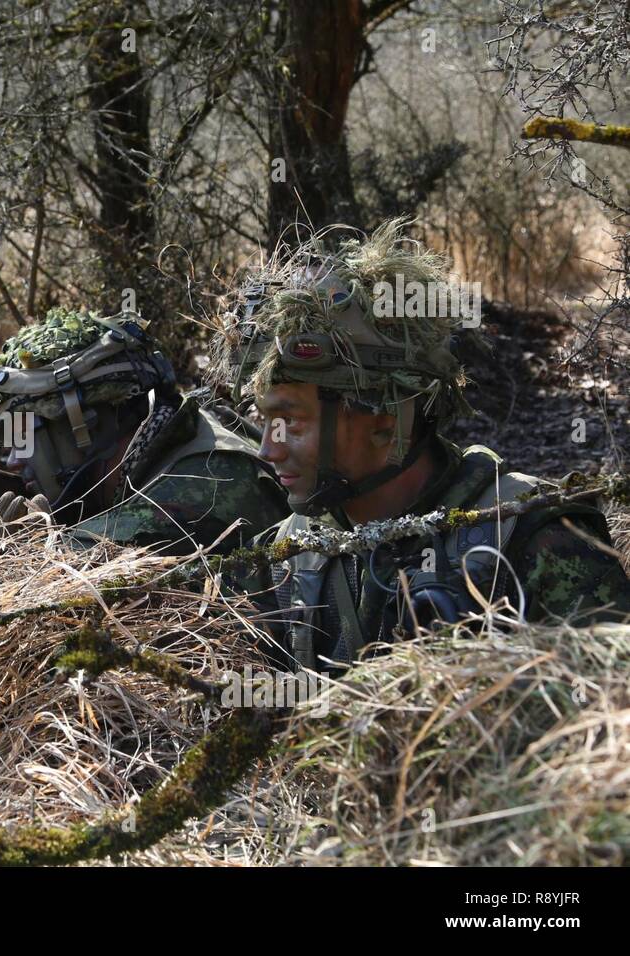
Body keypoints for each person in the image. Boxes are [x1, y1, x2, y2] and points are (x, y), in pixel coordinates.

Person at [217, 218, 630, 672]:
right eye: (267, 421)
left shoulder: (532, 539)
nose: (268, 451)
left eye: (292, 422)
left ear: (386, 422)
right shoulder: (283, 558)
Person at [0, 306, 288, 555]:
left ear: (84, 425)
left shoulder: (198, 483)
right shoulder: (175, 430)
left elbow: (78, 571)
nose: (13, 461)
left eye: (24, 437)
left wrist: (14, 549)